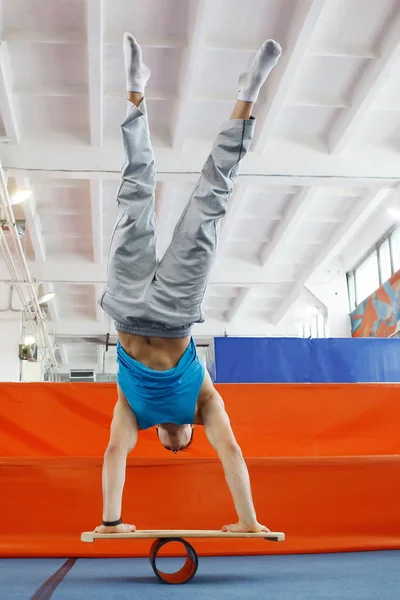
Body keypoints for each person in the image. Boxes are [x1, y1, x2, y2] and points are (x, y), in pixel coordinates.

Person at [94, 33, 282, 535]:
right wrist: (249, 521)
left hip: (128, 307)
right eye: (184, 447)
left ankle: (135, 90)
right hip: (176, 310)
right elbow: (232, 449)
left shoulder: (132, 415)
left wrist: (111, 522)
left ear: (159, 439)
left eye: (168, 447)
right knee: (210, 204)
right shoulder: (205, 403)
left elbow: (115, 453)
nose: (177, 446)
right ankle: (249, 93)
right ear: (187, 437)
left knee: (135, 193)